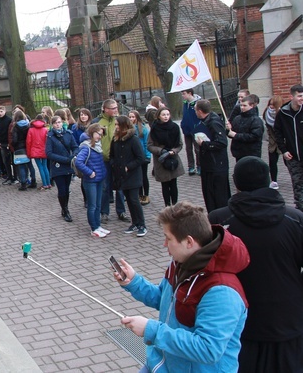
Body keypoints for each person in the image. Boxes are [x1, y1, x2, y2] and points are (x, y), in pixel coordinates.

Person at [116, 201, 249, 373]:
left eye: (168, 238)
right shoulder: (180, 264)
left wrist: (152, 330)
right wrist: (134, 282)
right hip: (160, 365)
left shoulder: (222, 292)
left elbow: (208, 349)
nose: (165, 244)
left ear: (189, 242)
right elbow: (163, 299)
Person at [209, 156, 303, 372]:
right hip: (288, 320)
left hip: (237, 320)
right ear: (269, 180)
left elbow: (208, 268)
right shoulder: (295, 219)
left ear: (236, 182)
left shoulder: (219, 221)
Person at [110, 116, 148, 237]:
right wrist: (114, 165)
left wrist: (128, 166)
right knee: (129, 201)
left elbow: (140, 157)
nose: (116, 127)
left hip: (133, 175)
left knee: (134, 199)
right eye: (115, 125)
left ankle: (142, 224)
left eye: (117, 125)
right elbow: (112, 155)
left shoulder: (133, 139)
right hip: (121, 175)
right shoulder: (115, 139)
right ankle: (135, 223)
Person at [92, 99, 128, 223]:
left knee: (120, 186)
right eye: (113, 108)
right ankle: (104, 212)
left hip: (118, 160)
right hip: (103, 160)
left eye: (116, 107)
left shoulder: (120, 121)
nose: (116, 110)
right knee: (105, 187)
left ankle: (121, 211)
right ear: (105, 109)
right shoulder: (97, 122)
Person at [194, 99, 231, 212]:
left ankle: (220, 218)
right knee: (209, 195)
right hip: (208, 165)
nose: (195, 112)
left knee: (218, 196)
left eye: (195, 110)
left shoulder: (213, 122)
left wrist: (204, 144)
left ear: (200, 111)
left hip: (216, 166)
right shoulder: (205, 121)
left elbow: (222, 143)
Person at [148, 107, 185, 208]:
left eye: (168, 114)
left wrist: (173, 151)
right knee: (165, 184)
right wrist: (161, 151)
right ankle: (167, 206)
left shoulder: (174, 127)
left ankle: (175, 205)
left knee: (173, 183)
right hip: (161, 160)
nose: (166, 117)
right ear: (159, 116)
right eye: (163, 115)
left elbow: (180, 144)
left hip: (173, 158)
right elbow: (150, 145)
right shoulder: (154, 129)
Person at [273, 84, 303, 211]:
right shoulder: (283, 112)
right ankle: (300, 210)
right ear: (292, 96)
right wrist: (284, 150)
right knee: (298, 184)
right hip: (293, 156)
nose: (302, 98)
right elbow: (277, 132)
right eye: (300, 96)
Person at [76, 124, 109, 237]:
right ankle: (93, 228)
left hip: (99, 179)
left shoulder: (97, 145)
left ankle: (98, 226)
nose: (100, 136)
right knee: (92, 205)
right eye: (98, 134)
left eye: (101, 134)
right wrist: (89, 172)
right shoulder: (86, 146)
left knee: (98, 204)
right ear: (92, 132)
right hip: (91, 181)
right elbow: (78, 162)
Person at [45, 115, 78, 222]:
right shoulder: (50, 137)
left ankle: (65, 207)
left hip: (68, 165)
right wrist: (64, 159)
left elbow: (75, 147)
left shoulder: (68, 134)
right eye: (55, 123)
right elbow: (49, 153)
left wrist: (73, 156)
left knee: (67, 189)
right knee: (62, 189)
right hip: (57, 166)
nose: (58, 124)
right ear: (52, 125)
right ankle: (65, 210)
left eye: (59, 122)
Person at [227, 95, 264, 161]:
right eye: (241, 105)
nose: (242, 107)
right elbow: (230, 134)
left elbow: (254, 136)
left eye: (244, 105)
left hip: (251, 153)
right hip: (238, 153)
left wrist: (236, 135)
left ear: (251, 105)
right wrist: (228, 129)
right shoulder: (237, 118)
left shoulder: (256, 120)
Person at [129, 110, 151, 205]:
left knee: (143, 176)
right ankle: (139, 194)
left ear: (137, 118)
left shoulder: (143, 129)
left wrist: (147, 156)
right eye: (129, 117)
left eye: (133, 117)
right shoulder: (128, 129)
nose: (131, 119)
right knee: (136, 177)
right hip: (132, 157)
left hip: (142, 156)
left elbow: (146, 143)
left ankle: (145, 195)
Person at [263, 95, 283, 189]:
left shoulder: (283, 115)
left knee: (289, 162)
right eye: (270, 104)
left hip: (284, 142)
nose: (271, 107)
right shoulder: (266, 114)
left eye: (273, 105)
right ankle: (274, 181)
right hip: (272, 142)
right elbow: (268, 129)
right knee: (272, 162)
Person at [11, 110, 34, 191]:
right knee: (29, 164)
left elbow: (14, 139)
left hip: (19, 148)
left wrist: (13, 145)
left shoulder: (15, 126)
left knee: (21, 166)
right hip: (27, 147)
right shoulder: (28, 125)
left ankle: (23, 183)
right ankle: (33, 180)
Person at [180, 88, 202, 175]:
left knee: (197, 149)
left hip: (195, 129)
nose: (183, 96)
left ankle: (199, 166)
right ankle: (191, 166)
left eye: (184, 94)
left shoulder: (198, 103)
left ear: (190, 93)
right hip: (186, 130)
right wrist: (183, 124)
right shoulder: (185, 103)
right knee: (188, 149)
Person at [27, 114, 51, 190]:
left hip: (35, 151)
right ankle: (48, 183)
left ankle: (44, 184)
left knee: (40, 167)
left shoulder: (31, 129)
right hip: (44, 150)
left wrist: (29, 153)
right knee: (45, 166)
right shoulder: (46, 129)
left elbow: (28, 142)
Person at [0, 106, 14, 184]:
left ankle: (15, 177)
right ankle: (9, 176)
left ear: (5, 111)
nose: (0, 113)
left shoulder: (9, 120)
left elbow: (10, 132)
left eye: (1, 111)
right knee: (5, 161)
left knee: (12, 161)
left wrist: (10, 142)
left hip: (9, 143)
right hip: (2, 144)